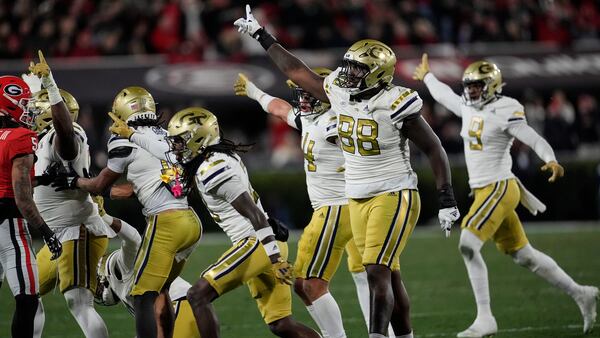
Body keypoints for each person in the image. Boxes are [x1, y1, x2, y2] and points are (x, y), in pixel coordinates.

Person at [234, 6, 460, 338]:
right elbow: (297, 71)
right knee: (388, 275)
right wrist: (261, 36)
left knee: (374, 270)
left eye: (358, 69)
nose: (349, 74)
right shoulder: (339, 94)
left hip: (394, 192)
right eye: (349, 66)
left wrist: (446, 197)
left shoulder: (396, 103)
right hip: (356, 196)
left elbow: (434, 148)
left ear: (378, 73)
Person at [413, 54, 599, 336]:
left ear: (492, 85)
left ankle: (485, 317)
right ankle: (581, 293)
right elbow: (446, 96)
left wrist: (550, 157)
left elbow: (531, 136)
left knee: (467, 243)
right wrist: (428, 77)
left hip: (500, 186)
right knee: (525, 256)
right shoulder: (468, 106)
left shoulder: (505, 108)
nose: (471, 91)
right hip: (484, 191)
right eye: (469, 85)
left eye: (477, 86)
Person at [111, 106, 317, 338]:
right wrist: (132, 135)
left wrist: (275, 258)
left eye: (180, 141)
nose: (175, 146)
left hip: (257, 243)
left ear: (198, 138)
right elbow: (166, 153)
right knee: (282, 324)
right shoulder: (213, 157)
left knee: (198, 295)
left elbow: (254, 215)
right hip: (264, 241)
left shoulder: (213, 168)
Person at [235, 70, 394, 337]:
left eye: (308, 93)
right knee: (366, 276)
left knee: (307, 283)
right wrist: (253, 91)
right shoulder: (313, 118)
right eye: (301, 93)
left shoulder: (332, 122)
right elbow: (280, 108)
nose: (303, 99)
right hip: (354, 205)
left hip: (335, 208)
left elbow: (358, 138)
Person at [51, 86, 202, 338]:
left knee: (141, 295)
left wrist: (73, 182)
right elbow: (134, 187)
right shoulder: (164, 135)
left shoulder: (124, 138)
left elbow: (99, 184)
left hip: (166, 222)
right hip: (190, 221)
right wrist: (105, 192)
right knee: (161, 290)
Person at [27, 51, 110, 338]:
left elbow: (66, 138)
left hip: (76, 230)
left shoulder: (62, 134)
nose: (30, 117)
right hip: (56, 234)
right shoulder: (40, 142)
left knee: (79, 303)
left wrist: (50, 85)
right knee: (29, 294)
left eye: (35, 112)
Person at [0, 74, 62, 338]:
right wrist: (46, 232)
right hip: (9, 224)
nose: (28, 109)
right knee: (27, 298)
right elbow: (22, 198)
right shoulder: (20, 136)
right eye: (24, 103)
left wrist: (41, 178)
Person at [91, 195, 200, 338]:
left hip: (176, 308)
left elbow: (133, 238)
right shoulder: (118, 278)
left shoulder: (119, 265)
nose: (97, 290)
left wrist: (105, 217)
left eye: (97, 284)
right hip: (185, 309)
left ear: (102, 273)